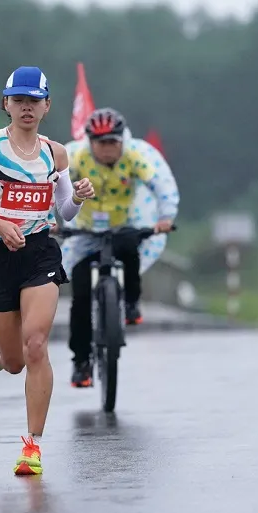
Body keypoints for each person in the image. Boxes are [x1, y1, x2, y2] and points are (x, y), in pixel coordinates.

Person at [0, 65, 95, 475]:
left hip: (40, 255)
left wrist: (78, 196)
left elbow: (63, 211)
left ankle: (32, 446)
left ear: (47, 107)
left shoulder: (56, 153)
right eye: (19, 100)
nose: (26, 108)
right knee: (13, 362)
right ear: (6, 104)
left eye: (35, 101)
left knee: (36, 346)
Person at [64, 107, 179, 387]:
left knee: (130, 250)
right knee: (79, 298)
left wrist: (166, 217)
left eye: (113, 142)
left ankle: (130, 303)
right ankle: (81, 363)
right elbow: (52, 186)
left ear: (122, 141)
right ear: (89, 142)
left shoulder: (134, 157)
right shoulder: (76, 158)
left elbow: (159, 184)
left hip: (123, 226)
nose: (107, 149)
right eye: (100, 143)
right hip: (86, 230)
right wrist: (48, 221)